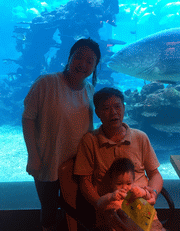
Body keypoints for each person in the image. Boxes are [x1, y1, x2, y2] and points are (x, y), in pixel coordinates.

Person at [22, 38, 101, 231]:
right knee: (49, 209)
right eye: (78, 57)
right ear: (69, 58)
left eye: (90, 61)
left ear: (95, 66)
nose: (83, 64)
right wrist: (33, 156)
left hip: (78, 166)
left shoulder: (90, 90)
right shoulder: (46, 83)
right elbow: (28, 118)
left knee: (75, 210)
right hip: (48, 161)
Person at [74, 87, 164, 231]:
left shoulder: (140, 137)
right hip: (111, 210)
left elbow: (155, 174)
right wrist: (100, 202)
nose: (114, 112)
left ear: (124, 108)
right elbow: (84, 181)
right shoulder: (90, 141)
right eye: (106, 108)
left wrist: (152, 193)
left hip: (141, 206)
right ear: (97, 113)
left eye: (117, 106)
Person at [96, 158, 165, 231]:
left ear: (133, 181)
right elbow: (99, 203)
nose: (124, 187)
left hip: (150, 224)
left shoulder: (135, 192)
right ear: (111, 183)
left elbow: (148, 198)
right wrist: (110, 196)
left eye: (128, 183)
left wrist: (143, 192)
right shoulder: (113, 198)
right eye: (119, 184)